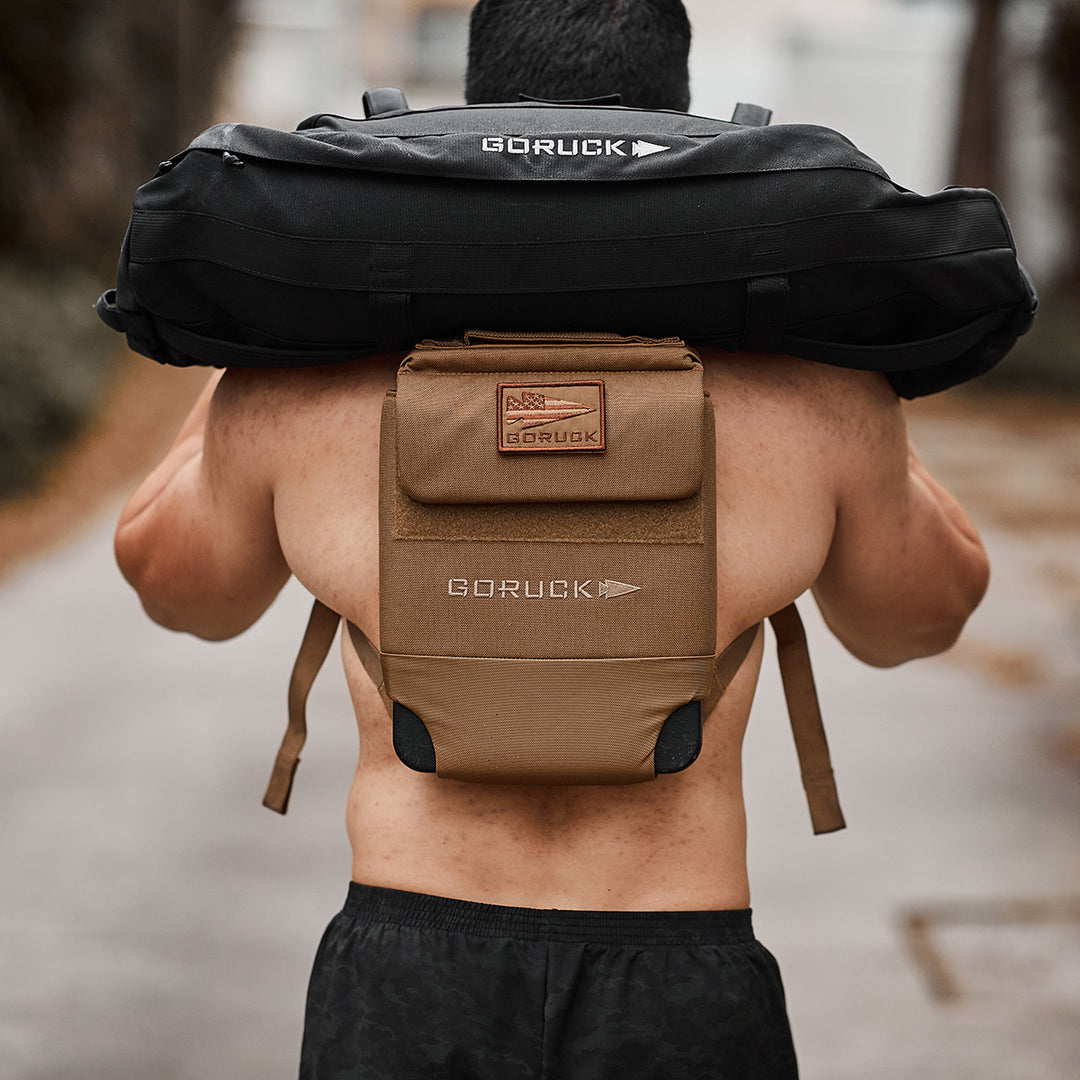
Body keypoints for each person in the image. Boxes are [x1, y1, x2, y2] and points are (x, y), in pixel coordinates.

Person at [114, 2, 991, 1076]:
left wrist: (256, 346)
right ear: (685, 125)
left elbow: (182, 595)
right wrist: (860, 378)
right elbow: (920, 621)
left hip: (408, 975)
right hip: (683, 976)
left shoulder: (295, 392)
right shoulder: (820, 400)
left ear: (467, 116)